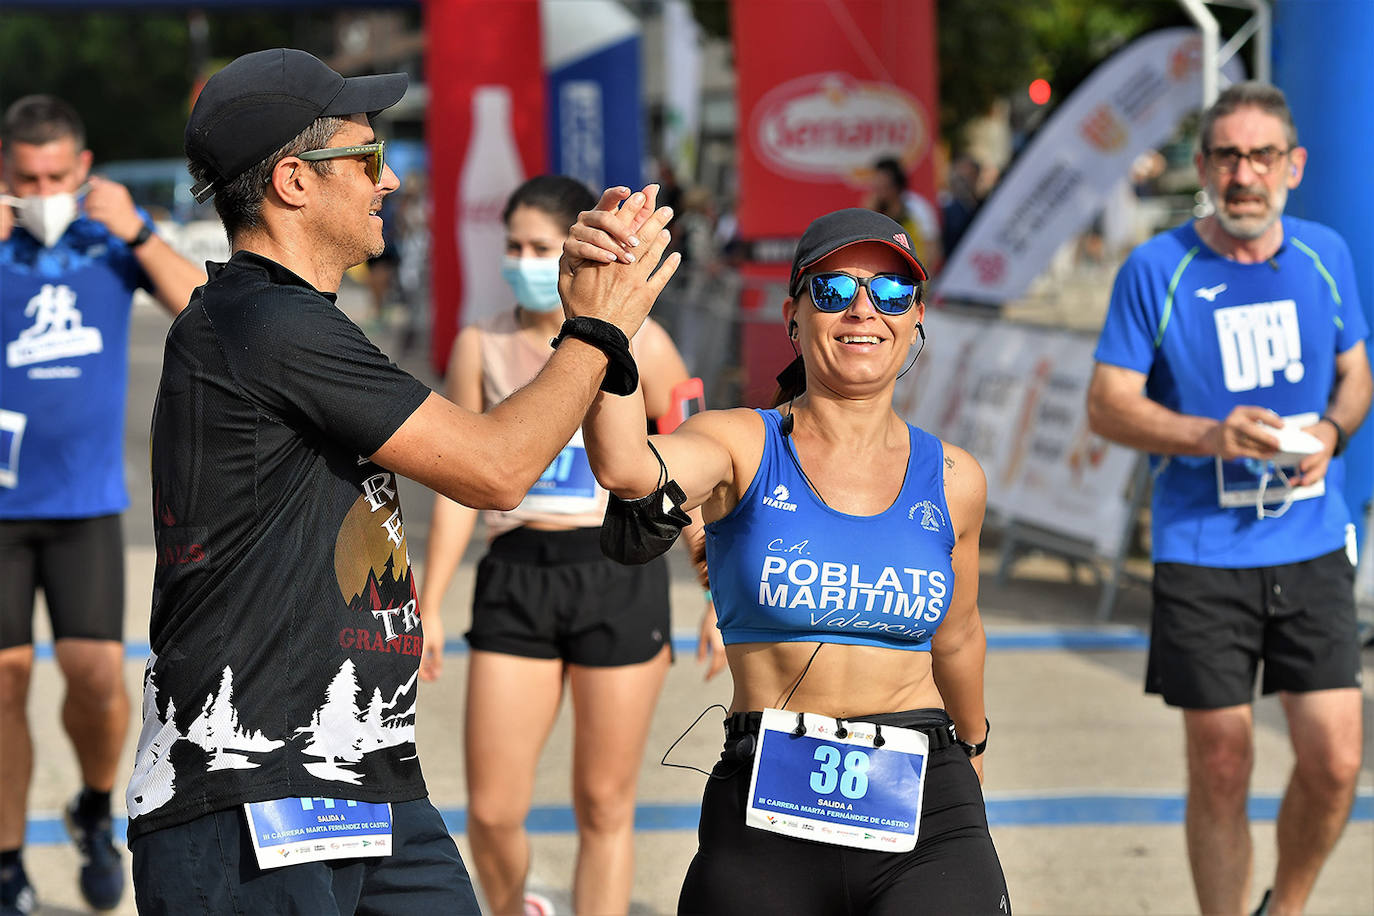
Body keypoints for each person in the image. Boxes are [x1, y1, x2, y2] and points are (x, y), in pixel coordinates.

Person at [124, 48, 679, 915]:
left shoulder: (288, 319)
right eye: (369, 158)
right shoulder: (261, 318)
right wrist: (600, 329)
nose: (389, 183)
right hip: (247, 793)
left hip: (368, 779)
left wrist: (581, 327)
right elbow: (496, 468)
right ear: (295, 182)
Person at [566, 198, 1010, 914]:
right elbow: (624, 466)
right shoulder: (743, 443)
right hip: (768, 801)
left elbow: (958, 635)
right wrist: (605, 327)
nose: (864, 310)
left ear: (916, 318)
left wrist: (975, 749)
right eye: (834, 290)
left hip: (926, 798)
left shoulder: (956, 478)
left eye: (892, 292)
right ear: (792, 318)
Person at [1087, 82, 1371, 916]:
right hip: (1201, 548)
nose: (1245, 175)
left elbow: (1356, 376)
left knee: (1336, 760)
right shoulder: (1157, 267)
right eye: (1228, 157)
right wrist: (1212, 435)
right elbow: (1108, 404)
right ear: (1205, 166)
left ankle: (1283, 909)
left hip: (1312, 540)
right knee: (1220, 759)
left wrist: (1331, 434)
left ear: (1294, 166)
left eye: (1263, 156)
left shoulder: (1325, 253)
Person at [417, 174, 718, 916]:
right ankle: (516, 906)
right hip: (517, 576)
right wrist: (428, 598)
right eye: (512, 245)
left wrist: (721, 592)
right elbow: (460, 485)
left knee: (604, 806)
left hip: (617, 575)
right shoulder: (480, 342)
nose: (523, 259)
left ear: (578, 251)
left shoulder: (648, 342)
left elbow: (699, 472)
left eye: (539, 246)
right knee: (490, 812)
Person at [0, 94, 205, 916]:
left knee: (94, 677)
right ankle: (8, 864)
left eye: (57, 174)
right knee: (5, 683)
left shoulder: (107, 240)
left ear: (82, 168)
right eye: (26, 177)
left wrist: (138, 231)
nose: (43, 190)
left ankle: (90, 806)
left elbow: (208, 314)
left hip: (84, 504)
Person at [864, 156, 941, 270]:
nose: (879, 192)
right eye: (876, 187)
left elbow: (932, 248)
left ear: (896, 186)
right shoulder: (874, 209)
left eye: (884, 186)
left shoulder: (917, 208)